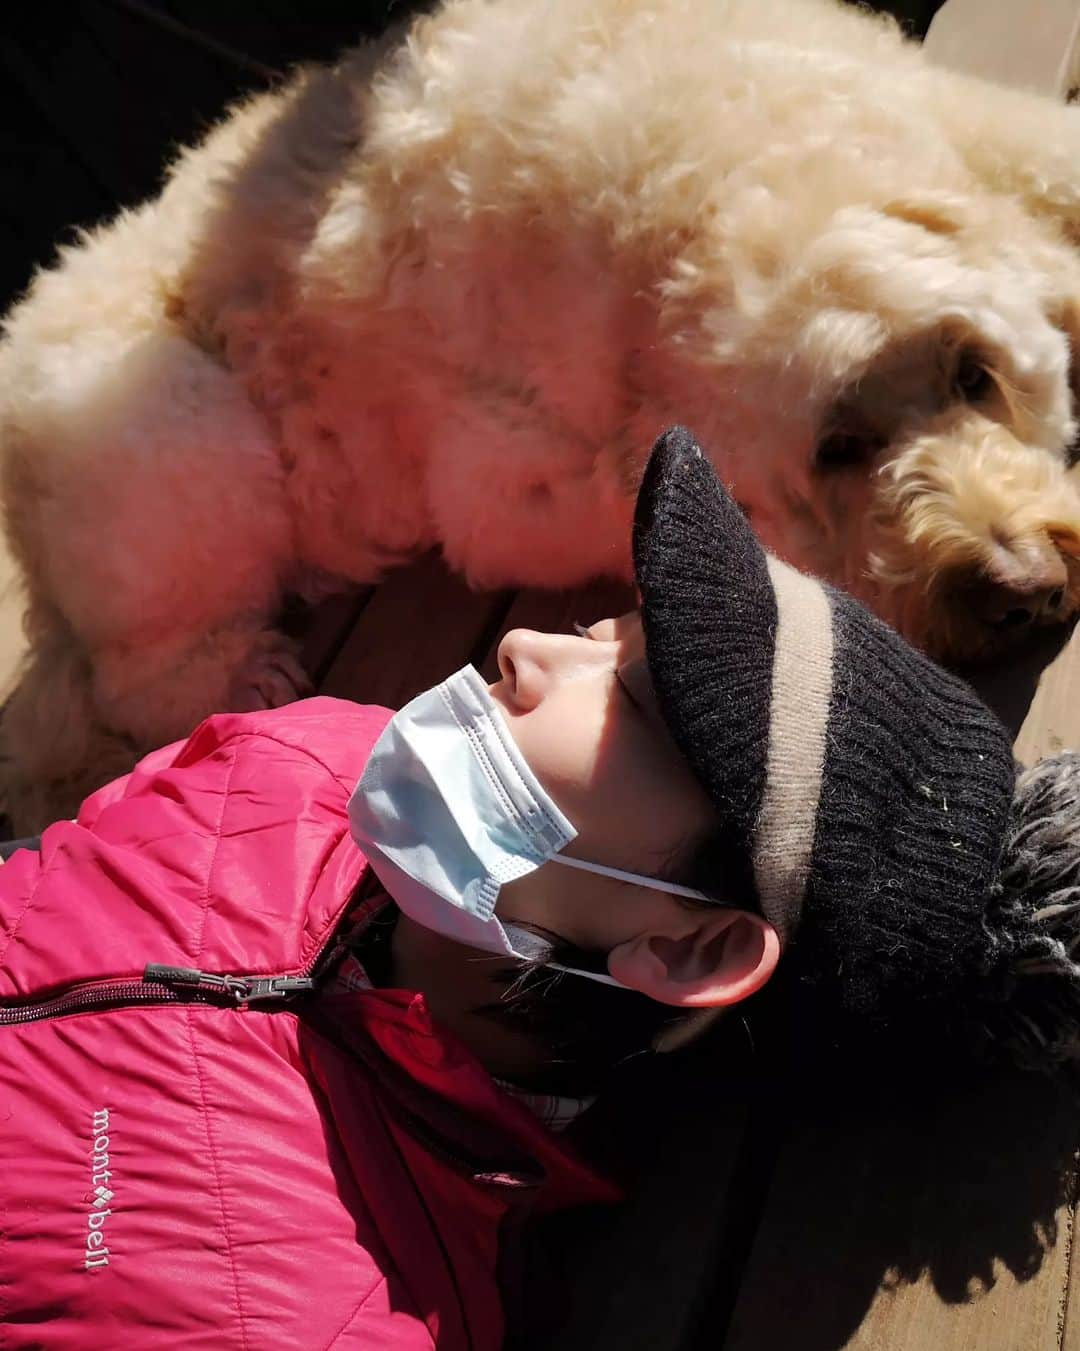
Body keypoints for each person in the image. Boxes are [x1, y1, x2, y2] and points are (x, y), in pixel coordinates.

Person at [2, 426, 1079, 1349]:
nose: (525, 645)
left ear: (694, 949)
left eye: (637, 701)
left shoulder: (306, 1316)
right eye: (606, 628)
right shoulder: (311, 754)